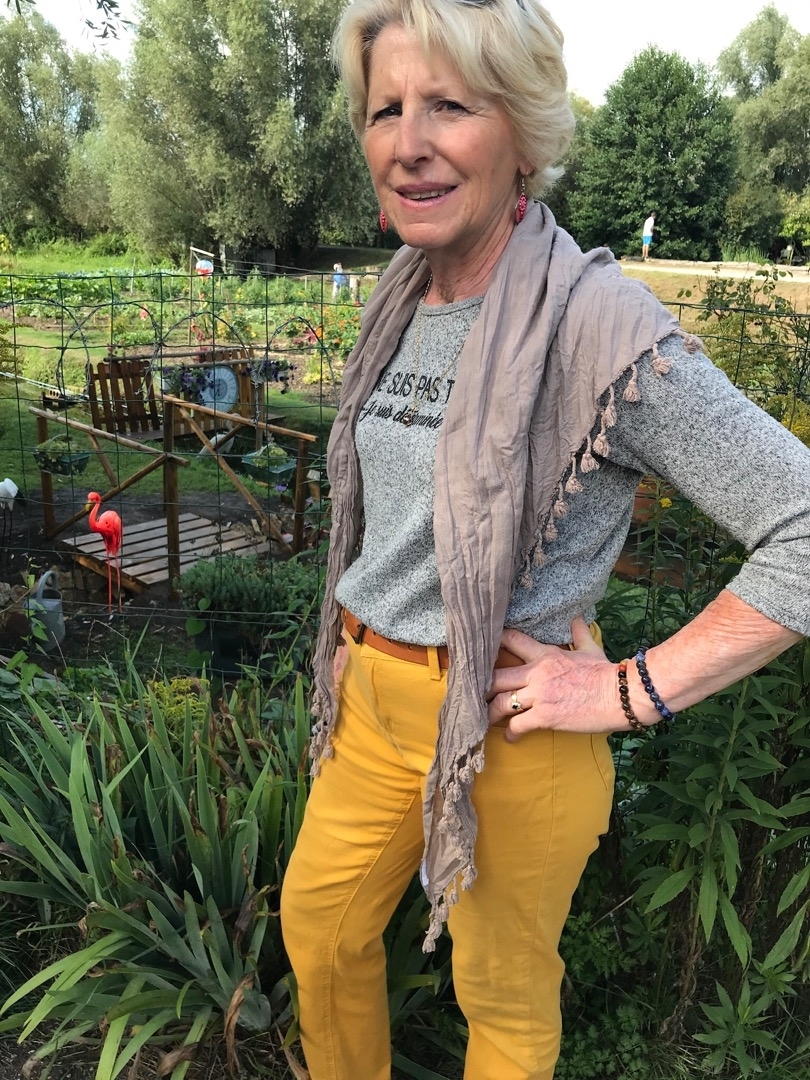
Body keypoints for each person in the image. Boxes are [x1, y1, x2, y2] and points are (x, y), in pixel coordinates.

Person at [280, 1, 810, 1077]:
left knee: (504, 1000)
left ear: (521, 130)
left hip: (512, 732)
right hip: (372, 707)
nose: (408, 142)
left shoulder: (599, 324)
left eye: (447, 106)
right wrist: (360, 625)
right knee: (320, 935)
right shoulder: (401, 295)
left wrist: (626, 690)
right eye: (385, 109)